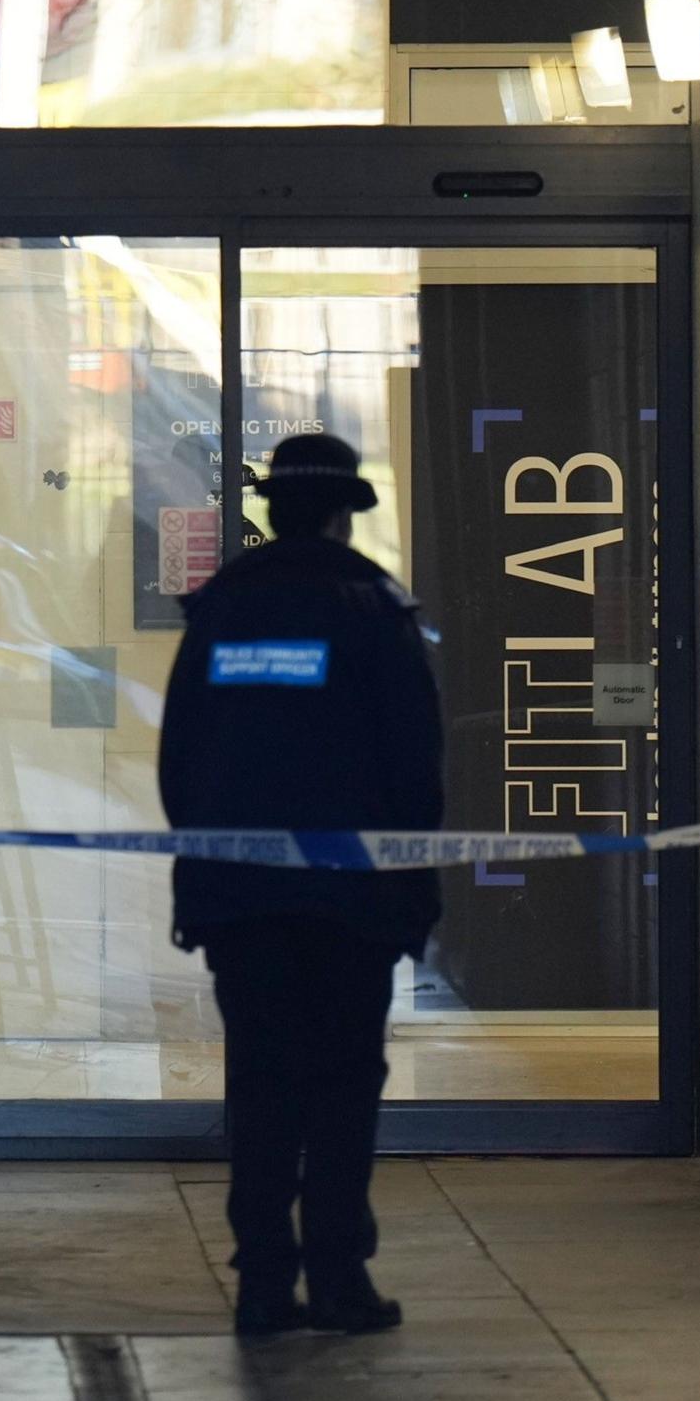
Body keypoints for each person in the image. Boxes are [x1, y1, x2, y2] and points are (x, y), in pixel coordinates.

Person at [155, 432, 444, 1338]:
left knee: (264, 1079)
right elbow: (414, 768)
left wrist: (206, 871)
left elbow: (181, 760)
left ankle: (263, 1282)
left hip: (243, 894)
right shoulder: (373, 608)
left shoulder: (221, 609)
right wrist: (412, 891)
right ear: (338, 512)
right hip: (351, 896)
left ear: (275, 510)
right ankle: (338, 1274)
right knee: (344, 1081)